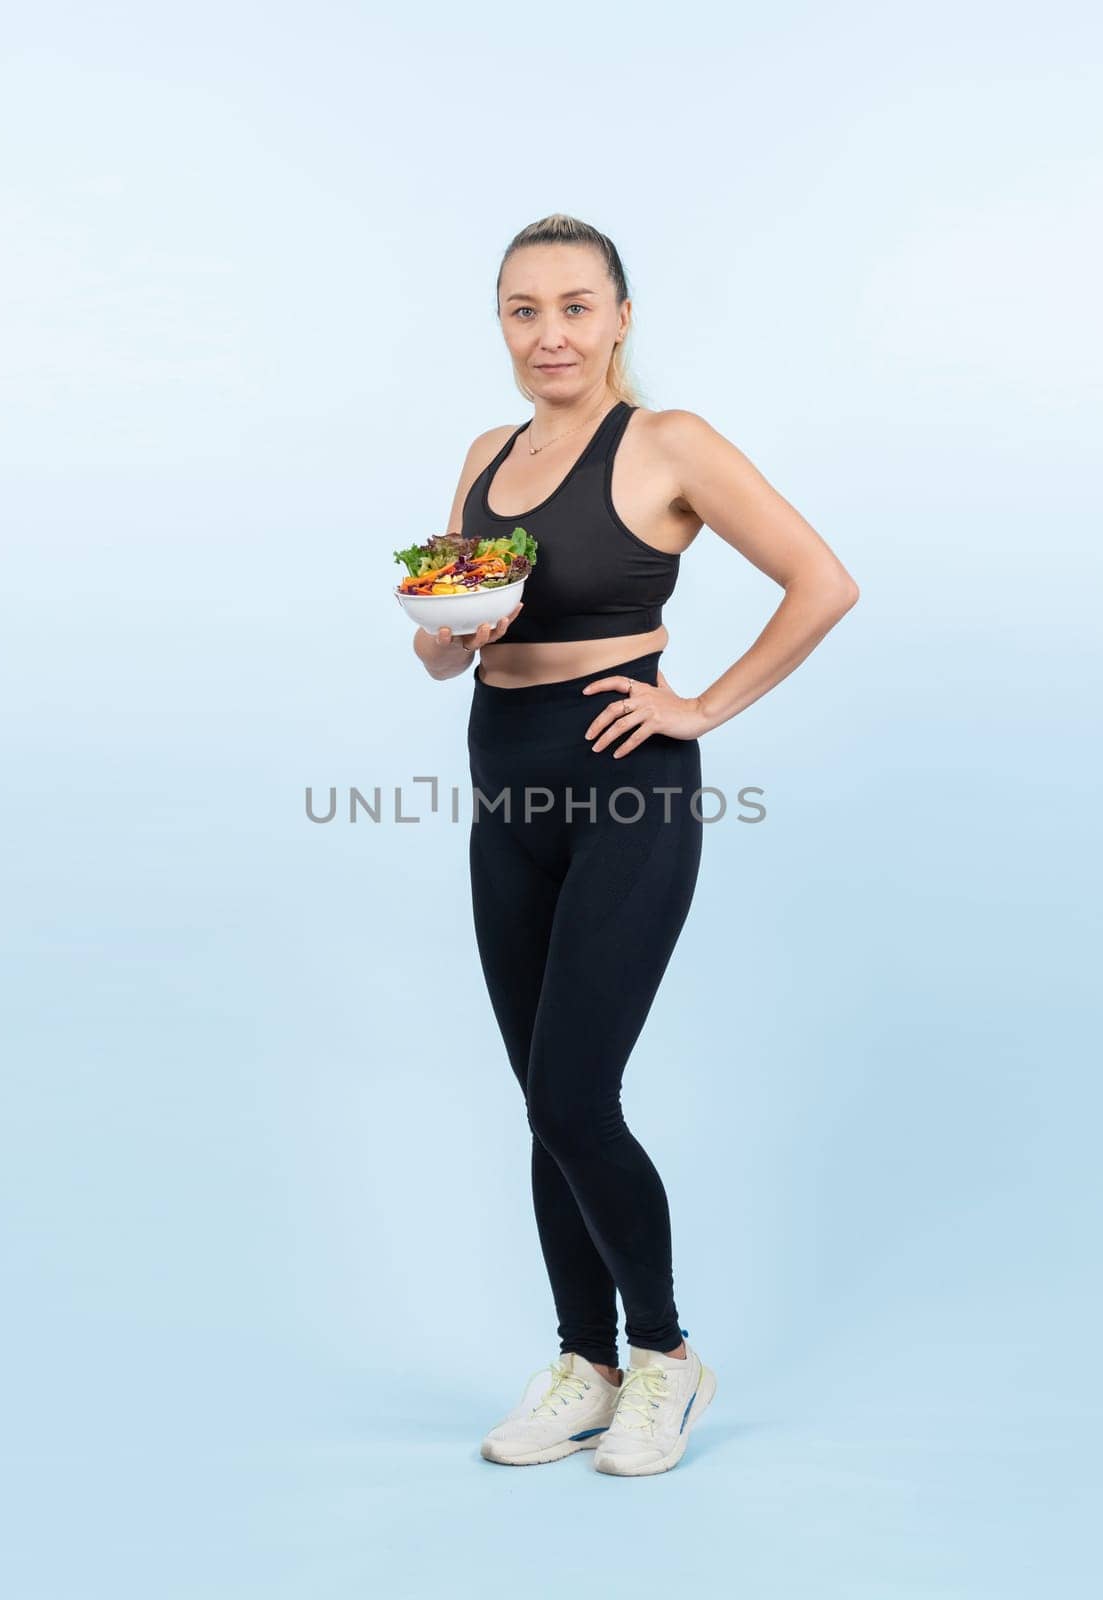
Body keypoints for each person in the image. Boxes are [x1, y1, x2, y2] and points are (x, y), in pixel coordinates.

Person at [411, 213, 859, 1477]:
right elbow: (448, 641)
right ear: (501, 324)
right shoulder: (485, 456)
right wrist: (445, 637)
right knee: (542, 1104)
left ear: (618, 317)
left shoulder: (670, 443)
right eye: (522, 309)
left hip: (628, 791)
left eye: (573, 305)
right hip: (507, 797)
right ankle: (586, 1365)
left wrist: (701, 704)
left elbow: (822, 580)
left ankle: (665, 1358)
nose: (549, 332)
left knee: (572, 1092)